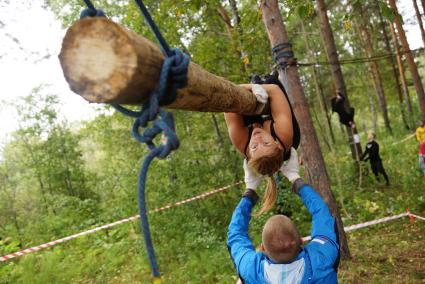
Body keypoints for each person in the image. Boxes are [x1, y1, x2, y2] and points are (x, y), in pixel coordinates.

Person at [227, 148, 339, 283]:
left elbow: (236, 235)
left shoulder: (251, 269)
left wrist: (250, 190)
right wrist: (294, 177)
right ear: (302, 240)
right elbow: (322, 215)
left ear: (262, 248)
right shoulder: (322, 258)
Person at [224, 72, 300, 215]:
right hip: (283, 133)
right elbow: (274, 90)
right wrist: (258, 87)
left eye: (254, 147)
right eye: (265, 143)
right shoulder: (284, 135)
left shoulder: (241, 141)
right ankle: (261, 81)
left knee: (247, 101)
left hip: (254, 122)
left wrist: (252, 87)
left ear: (249, 154)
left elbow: (228, 97)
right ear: (276, 144)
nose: (257, 138)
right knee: (272, 81)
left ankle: (256, 82)